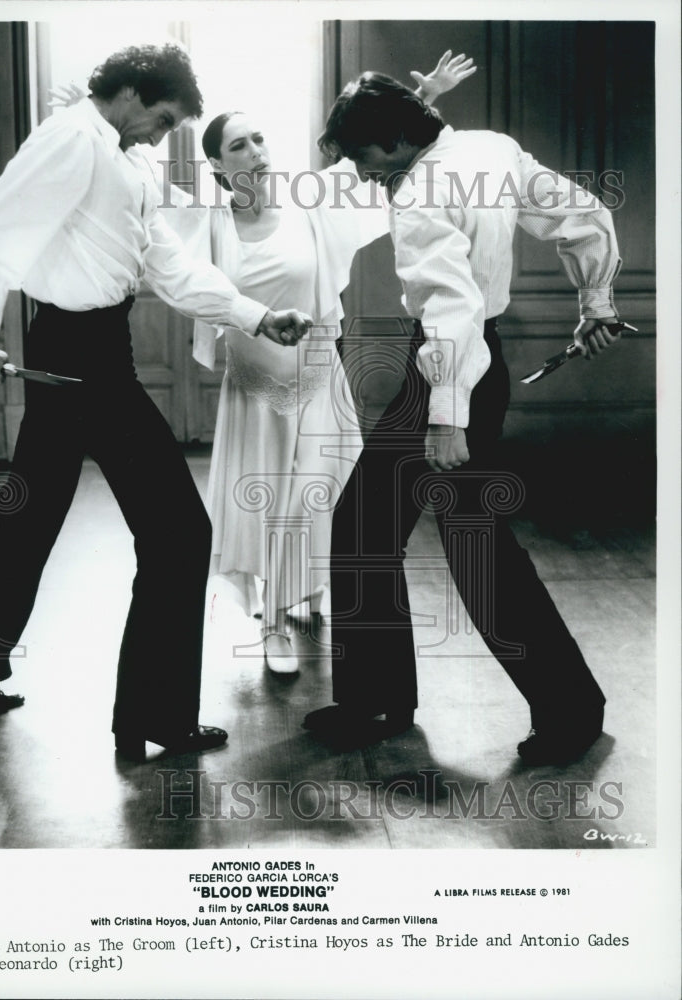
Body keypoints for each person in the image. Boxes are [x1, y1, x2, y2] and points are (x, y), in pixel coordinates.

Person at [0, 43, 311, 763]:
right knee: (179, 532)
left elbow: (165, 261)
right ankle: (157, 717)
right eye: (163, 120)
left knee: (30, 508)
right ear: (133, 94)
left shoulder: (125, 156)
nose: (162, 136)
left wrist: (253, 314)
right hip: (79, 358)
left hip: (95, 346)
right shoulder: (73, 139)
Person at [304, 71, 623, 765]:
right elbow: (585, 215)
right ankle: (377, 699)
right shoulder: (491, 148)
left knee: (472, 547)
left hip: (449, 375)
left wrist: (448, 420)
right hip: (481, 365)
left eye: (364, 157)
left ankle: (567, 711)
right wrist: (594, 298)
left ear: (393, 143)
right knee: (368, 525)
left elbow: (450, 313)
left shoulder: (418, 195)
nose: (360, 174)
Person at [158, 52, 476, 674]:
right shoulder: (210, 221)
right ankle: (272, 624)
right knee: (270, 500)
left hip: (320, 378)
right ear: (219, 166)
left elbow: (382, 157)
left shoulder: (312, 201)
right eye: (239, 145)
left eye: (260, 138)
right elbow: (154, 218)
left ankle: (306, 592)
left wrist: (427, 98)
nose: (256, 150)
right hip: (256, 388)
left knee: (324, 495)